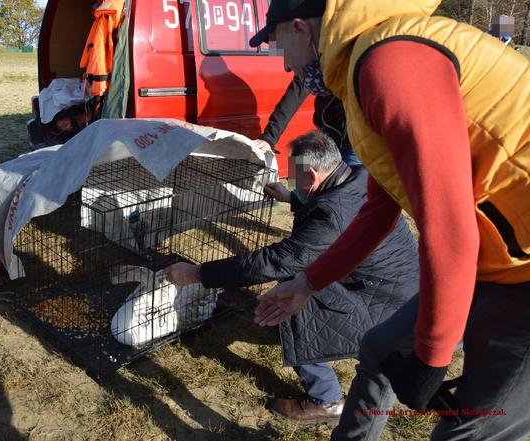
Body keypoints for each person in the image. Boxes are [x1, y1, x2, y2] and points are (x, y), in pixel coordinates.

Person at [250, 1, 530, 440]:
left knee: (470, 429)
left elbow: (449, 228)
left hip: (522, 265)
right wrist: (306, 284)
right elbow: (380, 207)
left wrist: (431, 359)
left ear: (302, 29)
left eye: (277, 43)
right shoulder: (361, 71)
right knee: (381, 350)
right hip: (500, 254)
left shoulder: (392, 62)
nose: (283, 61)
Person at [165, 131, 418, 425]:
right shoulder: (359, 177)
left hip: (386, 310)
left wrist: (197, 273)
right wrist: (293, 199)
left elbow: (273, 261)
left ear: (311, 174)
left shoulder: (329, 219)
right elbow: (329, 202)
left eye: (294, 178)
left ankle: (327, 400)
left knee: (285, 302)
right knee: (295, 283)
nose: (291, 183)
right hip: (399, 292)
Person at [255, 76, 361, 167]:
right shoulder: (312, 64)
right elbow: (293, 97)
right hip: (328, 134)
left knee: (350, 185)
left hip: (355, 141)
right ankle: (296, 190)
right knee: (297, 158)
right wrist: (268, 139)